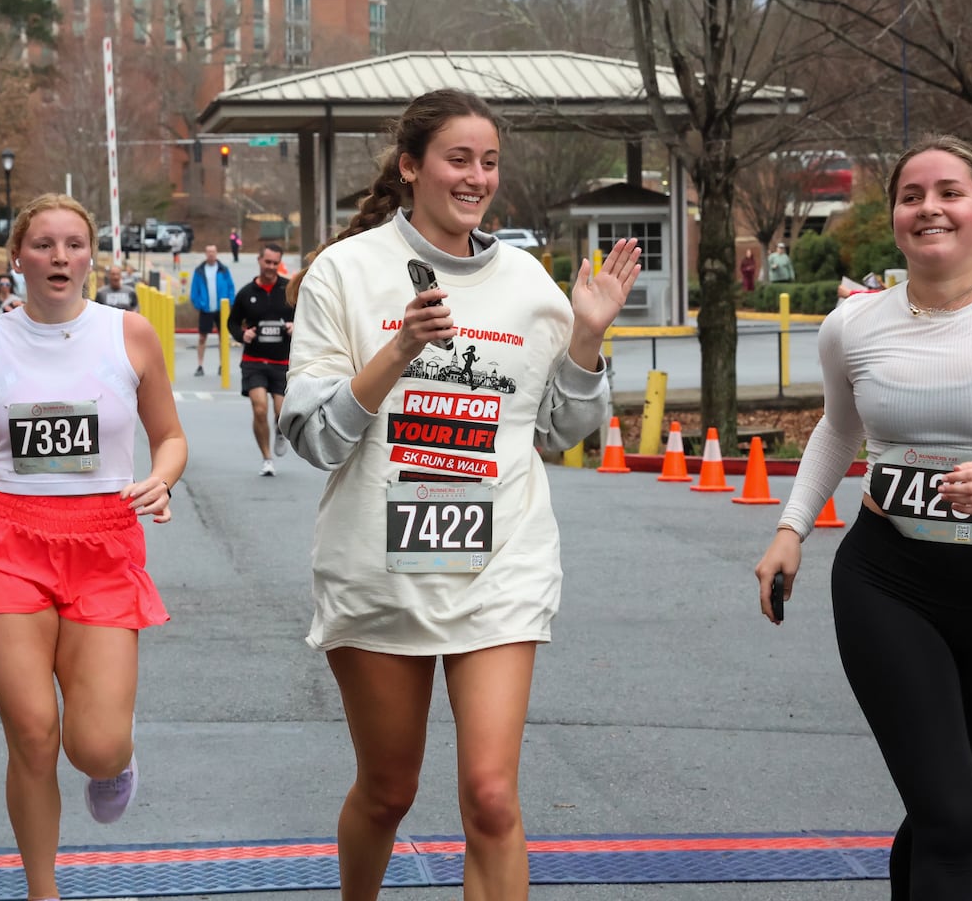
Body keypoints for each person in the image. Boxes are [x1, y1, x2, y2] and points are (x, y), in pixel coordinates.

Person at [279, 88, 641, 900]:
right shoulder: (345, 272)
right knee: (388, 791)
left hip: (500, 563)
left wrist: (586, 336)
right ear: (411, 167)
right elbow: (313, 438)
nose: (476, 177)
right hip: (378, 568)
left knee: (490, 795)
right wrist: (399, 348)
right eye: (457, 158)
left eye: (488, 161)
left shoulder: (527, 283)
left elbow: (559, 430)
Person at [752, 135, 972, 900]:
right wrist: (790, 530)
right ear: (896, 215)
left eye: (950, 192)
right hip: (887, 579)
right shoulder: (852, 325)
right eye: (911, 195)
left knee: (950, 810)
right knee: (947, 815)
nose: (929, 208)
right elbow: (838, 430)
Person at [0, 193, 187, 901]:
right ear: (17, 258)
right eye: (44, 245)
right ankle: (42, 890)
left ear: (91, 256)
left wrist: (160, 477)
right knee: (32, 734)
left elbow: (171, 437)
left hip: (104, 542)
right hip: (5, 543)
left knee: (92, 744)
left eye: (73, 244)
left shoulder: (129, 335)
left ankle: (114, 764)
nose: (59, 257)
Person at [227, 243, 296, 477]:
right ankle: (267, 458)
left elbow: (307, 316)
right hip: (254, 360)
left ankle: (280, 429)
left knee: (281, 411)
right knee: (259, 408)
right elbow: (232, 323)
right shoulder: (246, 293)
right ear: (259, 260)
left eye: (275, 263)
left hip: (281, 362)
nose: (271, 267)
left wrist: (295, 326)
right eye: (267, 262)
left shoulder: (289, 290)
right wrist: (242, 334)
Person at [189, 244, 235, 376]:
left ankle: (222, 365)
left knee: (223, 338)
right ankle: (200, 365)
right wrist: (199, 304)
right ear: (205, 253)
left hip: (222, 308)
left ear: (216, 253)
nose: (211, 254)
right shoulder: (199, 271)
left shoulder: (223, 270)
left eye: (213, 252)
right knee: (202, 337)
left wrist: (230, 302)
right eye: (208, 252)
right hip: (206, 309)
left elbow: (231, 287)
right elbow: (194, 291)